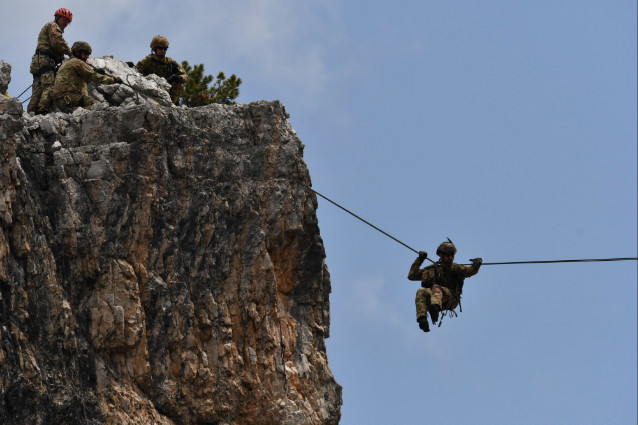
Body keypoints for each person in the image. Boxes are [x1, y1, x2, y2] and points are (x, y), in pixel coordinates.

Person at [407, 240, 482, 332]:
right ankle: (422, 320)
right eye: (447, 255)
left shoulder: (456, 268)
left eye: (452, 255)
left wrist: (477, 264)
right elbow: (412, 276)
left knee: (436, 288)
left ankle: (435, 308)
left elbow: (470, 271)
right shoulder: (432, 269)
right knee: (421, 291)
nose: (450, 258)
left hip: (451, 298)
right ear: (440, 255)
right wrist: (419, 260)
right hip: (435, 297)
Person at [51, 41, 122, 112]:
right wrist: (114, 80)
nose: (87, 56)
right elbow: (95, 76)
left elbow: (85, 80)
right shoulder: (77, 62)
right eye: (85, 53)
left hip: (62, 100)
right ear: (78, 52)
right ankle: (73, 110)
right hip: (69, 97)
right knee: (98, 106)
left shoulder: (67, 63)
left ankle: (72, 110)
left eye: (88, 54)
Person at [28, 8, 73, 114]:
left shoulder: (49, 27)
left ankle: (32, 111)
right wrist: (72, 54)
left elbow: (52, 46)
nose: (66, 23)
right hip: (45, 61)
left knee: (38, 89)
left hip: (38, 61)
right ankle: (42, 111)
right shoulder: (53, 26)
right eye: (64, 20)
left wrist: (62, 58)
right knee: (50, 86)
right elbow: (58, 42)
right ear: (57, 17)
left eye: (68, 22)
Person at [136, 35, 188, 105]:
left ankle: (171, 104)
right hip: (151, 90)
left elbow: (185, 76)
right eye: (160, 48)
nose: (163, 51)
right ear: (154, 49)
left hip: (168, 92)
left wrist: (179, 78)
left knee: (179, 85)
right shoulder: (148, 61)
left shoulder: (170, 62)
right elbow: (135, 71)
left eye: (165, 48)